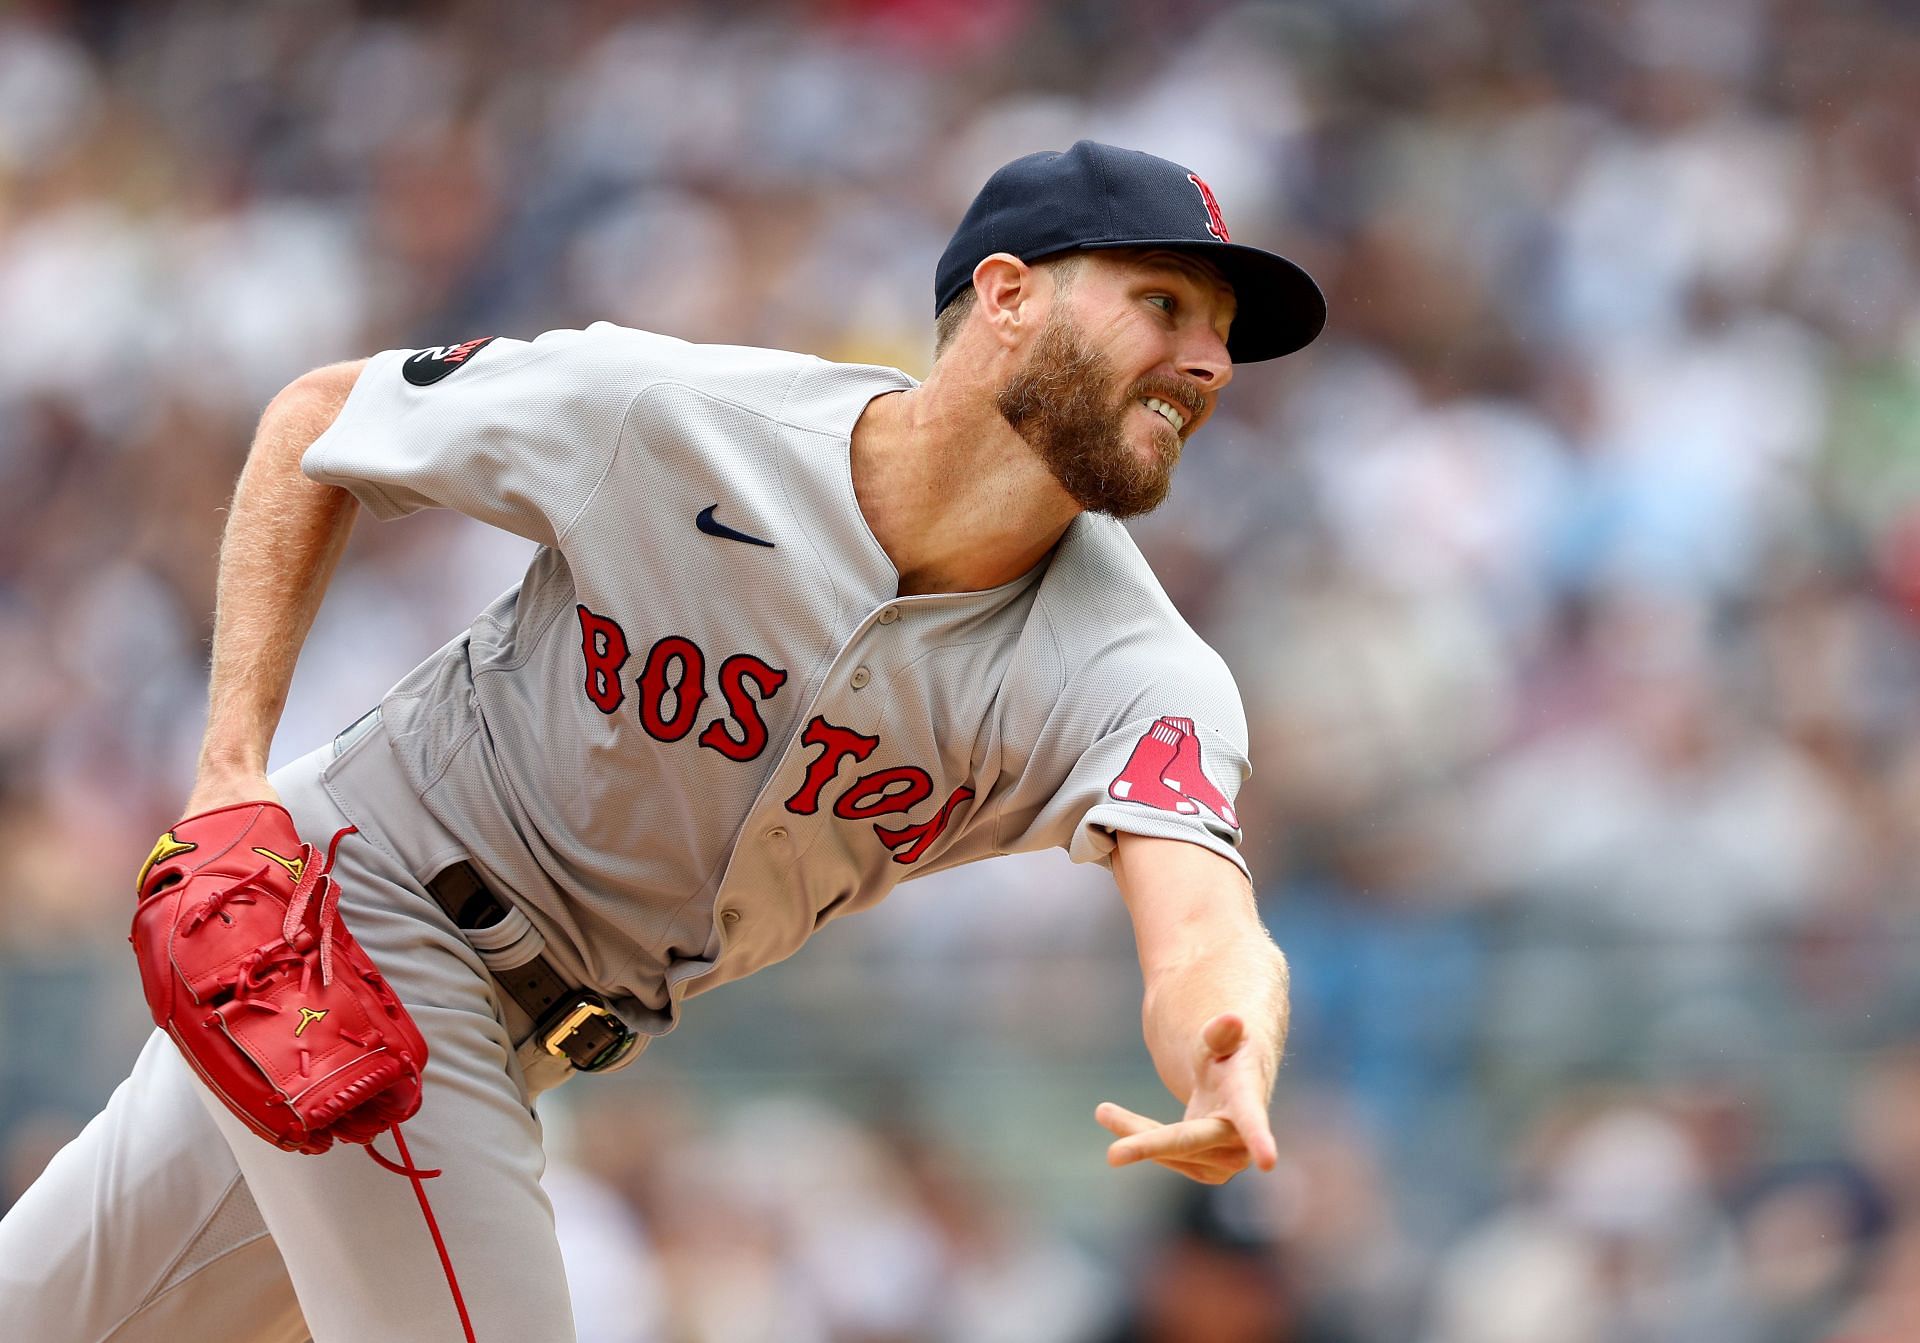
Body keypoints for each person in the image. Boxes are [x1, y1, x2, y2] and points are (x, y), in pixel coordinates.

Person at [0, 140, 1326, 1341]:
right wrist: (227, 764)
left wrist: (1229, 1047)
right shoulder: (681, 419)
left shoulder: (1133, 667)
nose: (1208, 362)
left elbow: (1205, 923)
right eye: (1163, 305)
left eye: (1219, 335)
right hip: (362, 917)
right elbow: (319, 424)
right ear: (1008, 295)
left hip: (522, 1037)